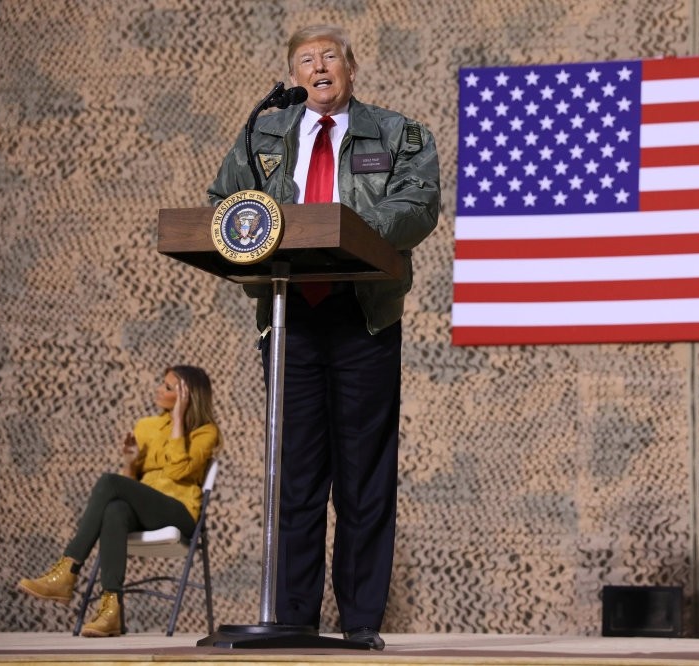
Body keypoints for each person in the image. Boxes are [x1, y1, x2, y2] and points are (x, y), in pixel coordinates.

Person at [207, 24, 440, 650]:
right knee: (297, 472)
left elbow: (417, 205)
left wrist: (341, 229)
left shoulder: (399, 133)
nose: (318, 67)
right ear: (293, 76)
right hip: (288, 315)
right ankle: (291, 617)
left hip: (362, 311)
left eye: (329, 57)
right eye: (305, 60)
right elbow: (221, 202)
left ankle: (360, 621)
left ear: (351, 68)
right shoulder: (264, 132)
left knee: (363, 473)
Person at [16, 365, 221, 637]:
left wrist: (179, 420)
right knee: (115, 509)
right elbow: (131, 486)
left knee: (109, 482)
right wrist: (129, 462)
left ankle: (69, 569)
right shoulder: (146, 427)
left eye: (169, 388)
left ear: (188, 396)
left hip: (180, 513)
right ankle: (111, 609)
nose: (159, 390)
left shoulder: (206, 432)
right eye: (162, 384)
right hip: (148, 510)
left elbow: (176, 472)